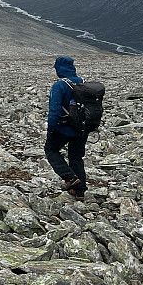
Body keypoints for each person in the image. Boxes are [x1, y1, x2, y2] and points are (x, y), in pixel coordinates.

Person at [45, 56, 89, 200]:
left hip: (64, 127)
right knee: (76, 157)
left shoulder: (60, 85)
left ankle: (69, 177)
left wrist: (51, 129)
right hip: (83, 127)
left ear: (59, 69)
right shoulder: (83, 82)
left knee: (51, 150)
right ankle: (80, 190)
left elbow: (55, 111)